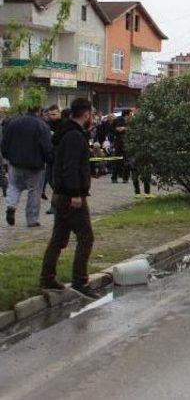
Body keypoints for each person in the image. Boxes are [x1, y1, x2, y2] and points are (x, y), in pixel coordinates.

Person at [40, 98, 99, 299]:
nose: (91, 117)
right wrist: (75, 193)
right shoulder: (74, 135)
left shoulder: (66, 132)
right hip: (70, 195)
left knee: (59, 238)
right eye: (90, 113)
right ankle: (80, 280)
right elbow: (70, 166)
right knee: (86, 237)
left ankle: (47, 278)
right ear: (86, 114)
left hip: (61, 193)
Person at [0, 105, 52, 227]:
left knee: (14, 186)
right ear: (39, 111)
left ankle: (11, 206)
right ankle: (32, 219)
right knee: (34, 191)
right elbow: (46, 145)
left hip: (15, 162)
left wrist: (8, 157)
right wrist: (48, 159)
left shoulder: (13, 122)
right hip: (35, 164)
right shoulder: (42, 125)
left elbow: (4, 141)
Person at [42, 104, 63, 206]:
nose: (52, 116)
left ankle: (55, 205)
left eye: (54, 114)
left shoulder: (63, 124)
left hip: (59, 155)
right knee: (50, 179)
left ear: (59, 112)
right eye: (50, 114)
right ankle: (58, 200)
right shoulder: (47, 124)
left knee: (56, 180)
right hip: (50, 155)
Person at [111, 116, 129, 183]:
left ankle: (118, 178)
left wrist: (124, 128)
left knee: (123, 161)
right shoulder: (119, 121)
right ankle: (119, 178)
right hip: (120, 143)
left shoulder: (126, 122)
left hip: (122, 143)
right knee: (119, 161)